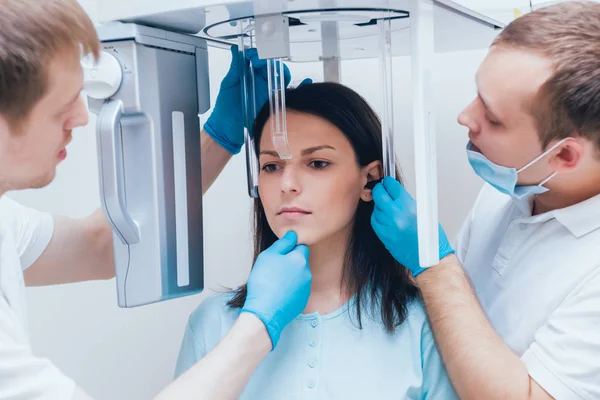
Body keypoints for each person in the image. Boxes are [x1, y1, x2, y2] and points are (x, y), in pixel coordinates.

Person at [0, 1, 312, 399]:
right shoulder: (213, 323)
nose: (82, 117)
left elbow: (104, 244)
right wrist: (258, 326)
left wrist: (219, 136)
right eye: (62, 107)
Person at [371, 2, 600, 399]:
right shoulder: (516, 187)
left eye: (493, 119)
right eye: (477, 94)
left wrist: (437, 269)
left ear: (564, 156)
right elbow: (463, 317)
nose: (464, 116)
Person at [174, 82, 458, 399]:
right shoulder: (213, 323)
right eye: (271, 165)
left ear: (370, 179)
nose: (287, 184)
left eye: (317, 163)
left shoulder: (421, 325)